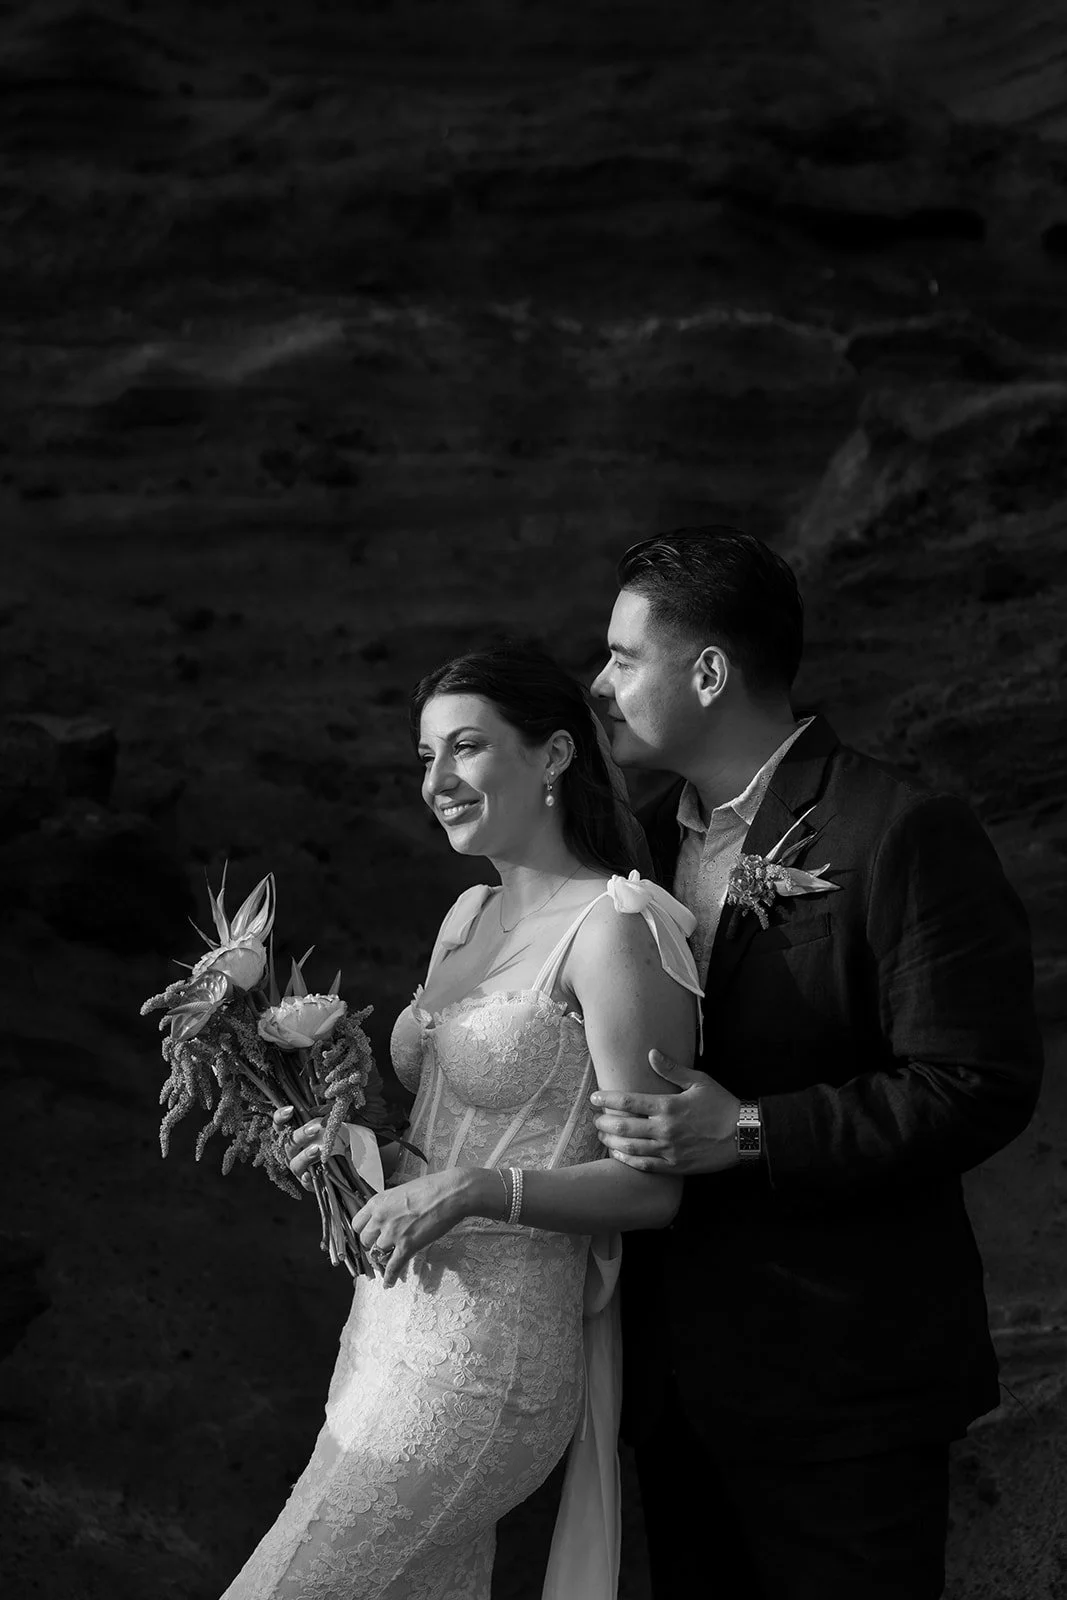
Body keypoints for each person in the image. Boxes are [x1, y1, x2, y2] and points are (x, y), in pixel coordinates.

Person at [589, 525, 1044, 1600]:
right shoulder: (635, 848)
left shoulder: (895, 830)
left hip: (843, 1381)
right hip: (673, 1388)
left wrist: (746, 1132)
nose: (597, 685)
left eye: (619, 657)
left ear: (707, 671)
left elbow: (973, 1082)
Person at [219, 642, 703, 1600]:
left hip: (493, 1357)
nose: (437, 781)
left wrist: (477, 1187)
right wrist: (352, 1151)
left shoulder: (614, 929)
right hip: (389, 1324)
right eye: (425, 758)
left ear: (556, 755)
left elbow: (653, 1188)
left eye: (467, 749)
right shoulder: (465, 915)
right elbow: (433, 1142)